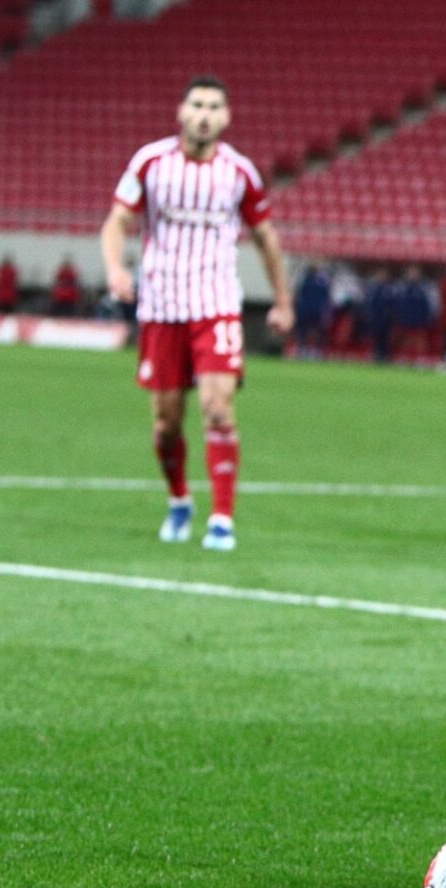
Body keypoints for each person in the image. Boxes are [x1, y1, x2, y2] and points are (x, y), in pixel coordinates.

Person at [100, 75, 292, 552]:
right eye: (198, 105)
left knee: (218, 408)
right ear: (182, 112)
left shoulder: (240, 173)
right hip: (161, 305)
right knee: (167, 422)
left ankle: (222, 519)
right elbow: (117, 221)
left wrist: (282, 300)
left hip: (216, 305)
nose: (205, 115)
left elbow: (266, 238)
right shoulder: (150, 163)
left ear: (227, 118)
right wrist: (115, 269)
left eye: (214, 107)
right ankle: (179, 499)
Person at [293, 260, 332, 358]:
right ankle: (302, 349)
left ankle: (316, 350)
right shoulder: (304, 278)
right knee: (303, 329)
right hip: (305, 308)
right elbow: (299, 292)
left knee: (318, 330)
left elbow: (327, 296)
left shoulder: (323, 280)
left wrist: (326, 310)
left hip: (317, 309)